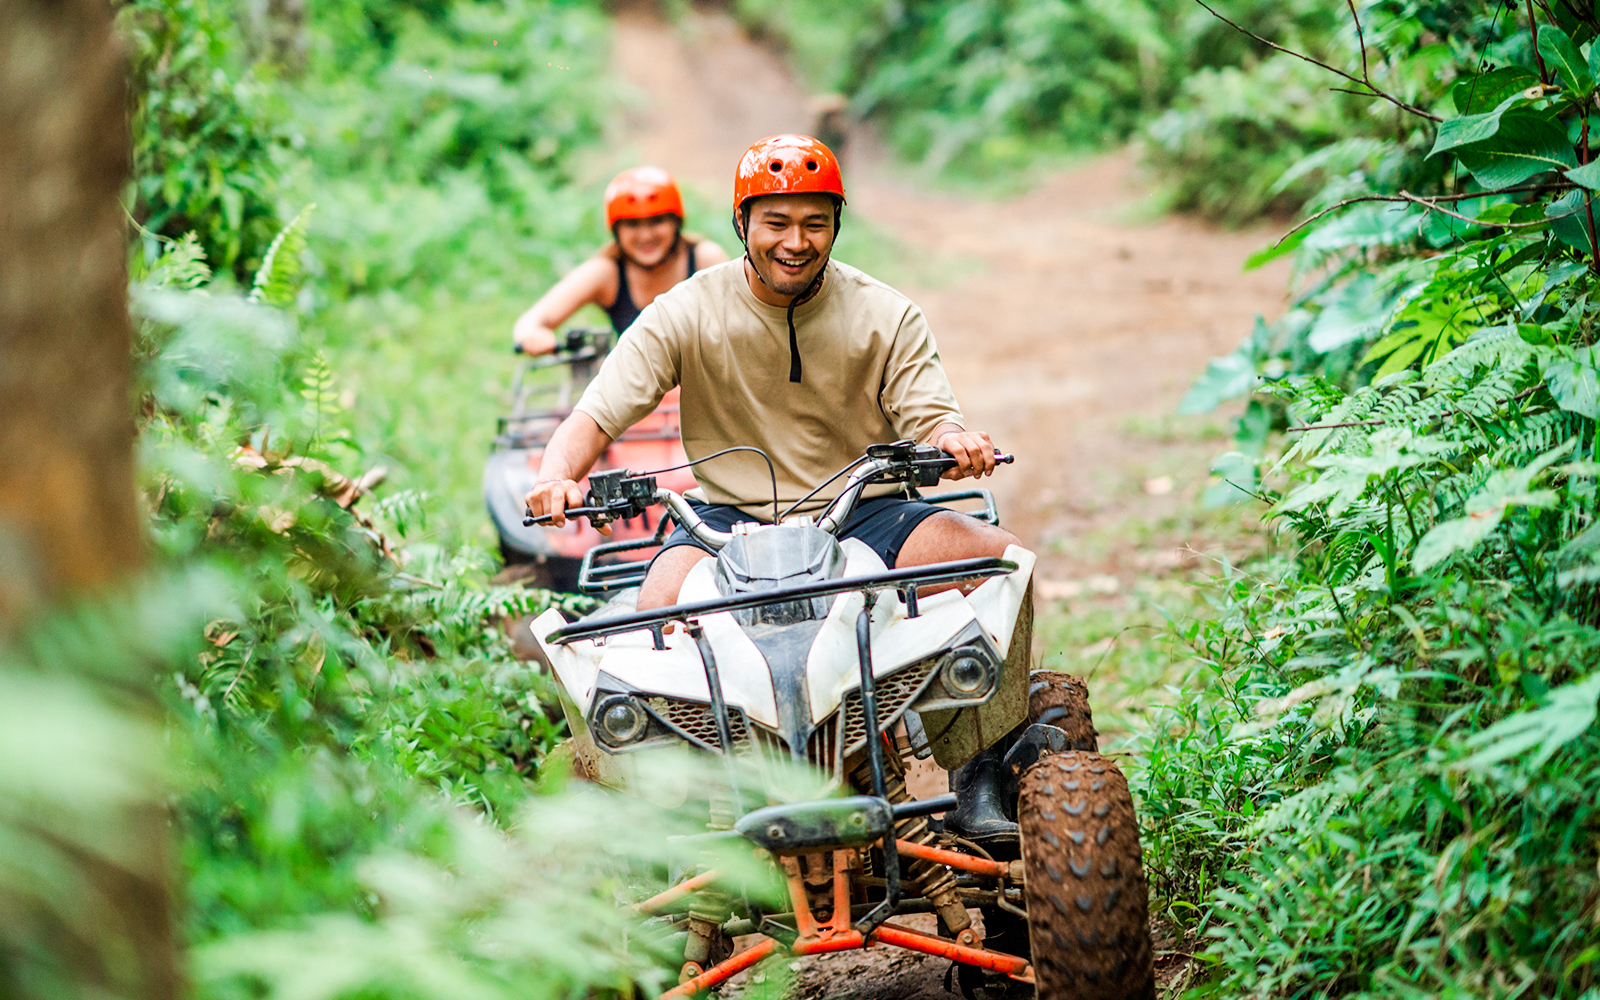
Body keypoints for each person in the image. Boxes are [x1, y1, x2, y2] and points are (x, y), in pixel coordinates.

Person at [524, 134, 1024, 842]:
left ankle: (981, 781)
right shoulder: (685, 310)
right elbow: (596, 414)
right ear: (742, 223)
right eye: (777, 223)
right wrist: (556, 476)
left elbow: (933, 418)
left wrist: (954, 442)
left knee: (998, 565)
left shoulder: (886, 313)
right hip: (725, 522)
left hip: (865, 509)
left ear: (836, 224)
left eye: (815, 223)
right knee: (654, 626)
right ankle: (679, 822)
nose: (796, 242)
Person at [511, 166, 730, 352]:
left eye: (657, 221)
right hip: (639, 386)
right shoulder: (608, 272)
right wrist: (533, 336)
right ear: (616, 230)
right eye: (632, 224)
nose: (646, 235)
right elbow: (530, 321)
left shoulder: (705, 260)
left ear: (676, 223)